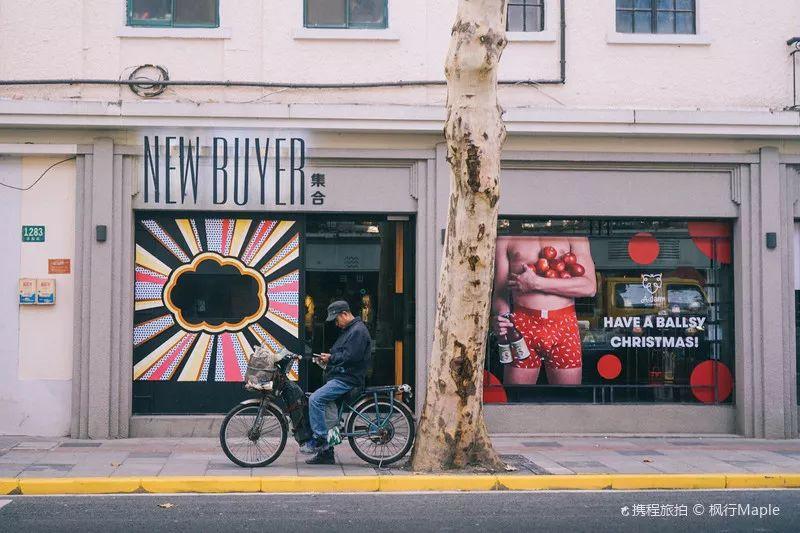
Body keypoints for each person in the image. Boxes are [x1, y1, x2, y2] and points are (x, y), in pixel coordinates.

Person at [492, 236, 597, 386]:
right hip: (522, 324)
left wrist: (537, 283)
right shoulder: (506, 238)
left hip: (563, 324)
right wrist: (502, 316)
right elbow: (501, 291)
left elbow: (589, 287)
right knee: (517, 398)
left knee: (567, 399)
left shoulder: (575, 237)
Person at [302, 300, 373, 465]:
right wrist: (330, 358)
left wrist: (331, 358)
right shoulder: (351, 330)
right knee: (327, 410)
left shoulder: (358, 331)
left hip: (347, 379)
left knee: (316, 399)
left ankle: (320, 439)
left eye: (336, 319)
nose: (336, 323)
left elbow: (351, 357)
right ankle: (326, 454)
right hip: (341, 376)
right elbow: (345, 353)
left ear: (345, 314)